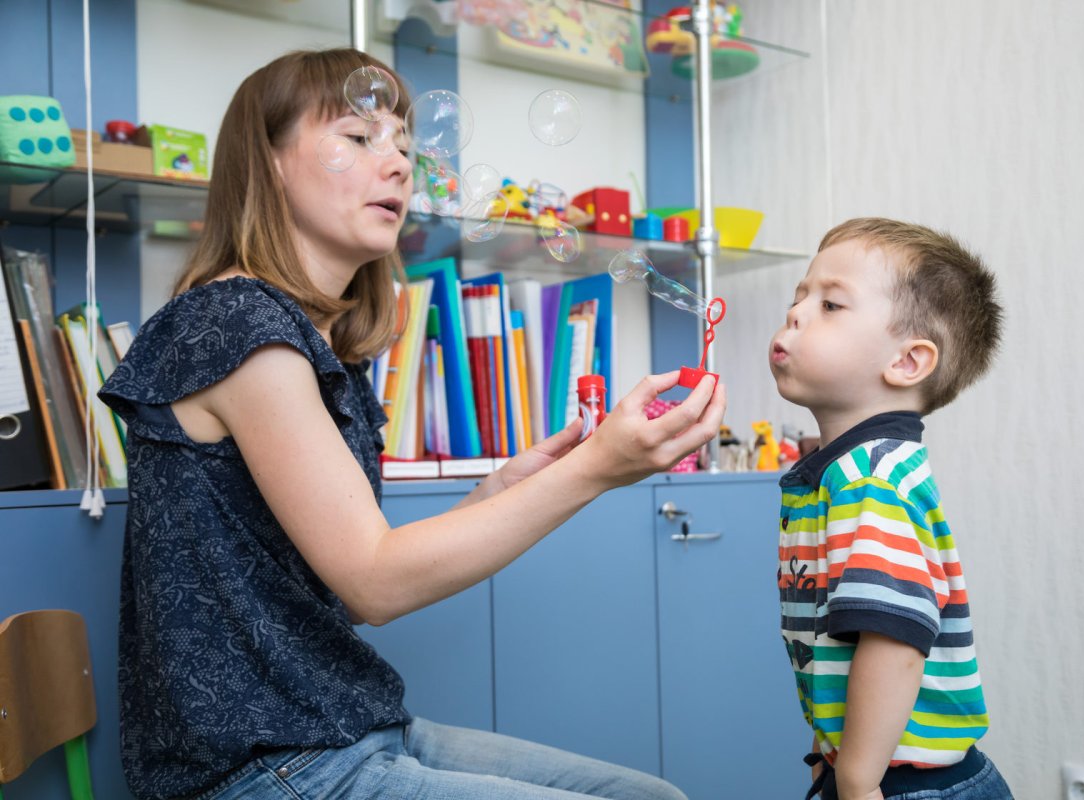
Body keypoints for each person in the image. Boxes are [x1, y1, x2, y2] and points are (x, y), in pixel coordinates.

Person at [99, 48, 723, 800]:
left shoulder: (314, 342)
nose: (396, 163)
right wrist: (597, 470)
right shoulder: (239, 325)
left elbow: (335, 572)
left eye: (401, 142)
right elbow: (375, 584)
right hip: (262, 766)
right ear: (268, 164)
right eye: (359, 138)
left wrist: (498, 489)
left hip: (339, 725)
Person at [768, 218, 1013, 800]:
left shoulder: (871, 479)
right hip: (874, 771)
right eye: (798, 297)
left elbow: (894, 644)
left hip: (906, 789)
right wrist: (833, 755)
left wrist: (856, 777)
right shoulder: (844, 474)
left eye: (830, 304)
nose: (797, 312)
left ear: (907, 362)